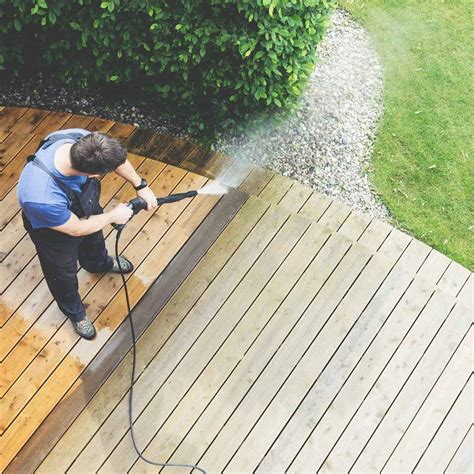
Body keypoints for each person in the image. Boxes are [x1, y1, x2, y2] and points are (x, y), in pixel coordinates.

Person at [17, 128, 157, 340]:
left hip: (84, 208)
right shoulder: (41, 195)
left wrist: (140, 185)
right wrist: (113, 216)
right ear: (93, 175)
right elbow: (76, 228)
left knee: (94, 242)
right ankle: (75, 313)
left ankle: (98, 264)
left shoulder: (83, 141)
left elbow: (116, 159)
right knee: (62, 273)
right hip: (54, 232)